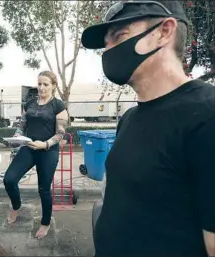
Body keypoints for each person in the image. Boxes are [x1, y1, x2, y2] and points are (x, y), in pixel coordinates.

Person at [81, 1, 215, 256]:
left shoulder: (207, 117)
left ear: (164, 31)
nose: (108, 51)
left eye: (119, 36)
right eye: (106, 43)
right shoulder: (129, 118)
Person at [3, 71, 68, 239]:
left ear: (53, 85)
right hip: (29, 147)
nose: (41, 87)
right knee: (9, 179)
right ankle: (16, 205)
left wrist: (45, 144)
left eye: (46, 84)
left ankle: (45, 223)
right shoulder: (30, 103)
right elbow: (21, 124)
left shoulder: (58, 105)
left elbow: (61, 134)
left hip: (48, 151)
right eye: (39, 84)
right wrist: (17, 136)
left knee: (44, 189)